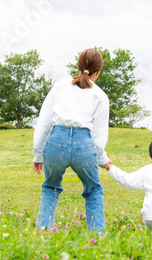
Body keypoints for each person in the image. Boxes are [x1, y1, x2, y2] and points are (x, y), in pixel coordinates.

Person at [33, 48, 109, 233]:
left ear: (78, 65)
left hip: (55, 141)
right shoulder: (100, 95)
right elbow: (99, 138)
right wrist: (102, 160)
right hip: (84, 145)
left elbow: (43, 123)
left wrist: (38, 154)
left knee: (50, 186)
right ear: (98, 72)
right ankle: (97, 236)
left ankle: (43, 231)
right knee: (93, 190)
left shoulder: (60, 86)